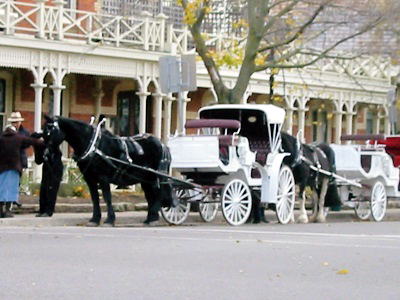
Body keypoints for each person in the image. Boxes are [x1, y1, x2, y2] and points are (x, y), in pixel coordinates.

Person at [0, 124, 43, 218]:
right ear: (14, 131)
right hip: (14, 167)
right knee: (11, 189)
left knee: (2, 188)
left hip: (1, 168)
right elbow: (32, 141)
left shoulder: (1, 138)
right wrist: (42, 141)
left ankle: (1, 211)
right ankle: (7, 211)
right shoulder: (18, 138)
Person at [8, 112, 30, 207]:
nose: (15, 124)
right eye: (13, 122)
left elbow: (27, 144)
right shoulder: (7, 132)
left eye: (16, 122)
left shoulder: (25, 132)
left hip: (19, 159)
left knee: (17, 181)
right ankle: (9, 199)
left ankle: (14, 198)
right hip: (8, 160)